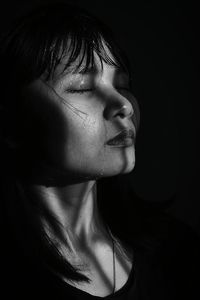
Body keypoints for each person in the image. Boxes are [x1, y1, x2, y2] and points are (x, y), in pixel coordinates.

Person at [0, 2, 199, 299]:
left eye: (122, 84)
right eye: (82, 87)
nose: (124, 105)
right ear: (12, 123)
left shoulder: (175, 252)